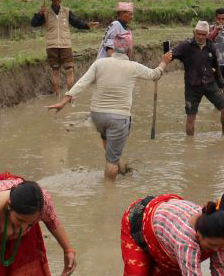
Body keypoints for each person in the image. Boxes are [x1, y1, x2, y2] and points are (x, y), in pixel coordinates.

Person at [48, 50, 171, 179]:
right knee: (111, 161)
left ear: (113, 49)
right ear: (129, 50)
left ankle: (122, 170)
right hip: (119, 118)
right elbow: (154, 75)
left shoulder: (99, 63)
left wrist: (63, 101)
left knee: (110, 148)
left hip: (98, 116)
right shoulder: (133, 66)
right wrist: (164, 62)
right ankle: (109, 192)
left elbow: (82, 83)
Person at [171, 21, 224, 136]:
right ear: (194, 32)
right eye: (198, 34)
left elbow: (215, 67)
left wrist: (222, 84)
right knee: (191, 117)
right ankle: (190, 145)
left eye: (203, 34)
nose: (200, 37)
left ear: (207, 34)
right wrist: (161, 66)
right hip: (192, 86)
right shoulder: (186, 46)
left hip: (209, 83)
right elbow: (170, 55)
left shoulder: (211, 47)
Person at [38, 0, 98, 98]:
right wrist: (39, 14)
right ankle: (57, 96)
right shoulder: (45, 13)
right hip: (52, 46)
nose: (56, 0)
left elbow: (76, 22)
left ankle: (70, 96)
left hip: (65, 45)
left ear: (60, 0)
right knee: (55, 71)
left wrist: (87, 25)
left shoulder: (66, 11)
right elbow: (34, 23)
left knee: (69, 70)